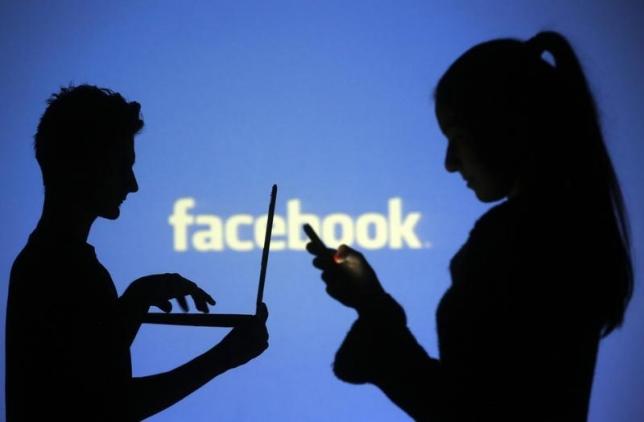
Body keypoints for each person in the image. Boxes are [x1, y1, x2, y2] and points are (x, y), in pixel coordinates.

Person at [307, 31, 633, 421]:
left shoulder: (513, 240)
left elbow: (471, 410)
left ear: (508, 127)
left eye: (457, 138)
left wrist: (378, 318)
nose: (450, 162)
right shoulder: (571, 231)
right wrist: (374, 307)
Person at [5, 85, 269, 421]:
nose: (132, 184)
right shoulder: (67, 271)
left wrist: (136, 299)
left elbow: (92, 371)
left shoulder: (42, 262)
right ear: (84, 165)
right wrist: (223, 357)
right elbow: (109, 404)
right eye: (122, 165)